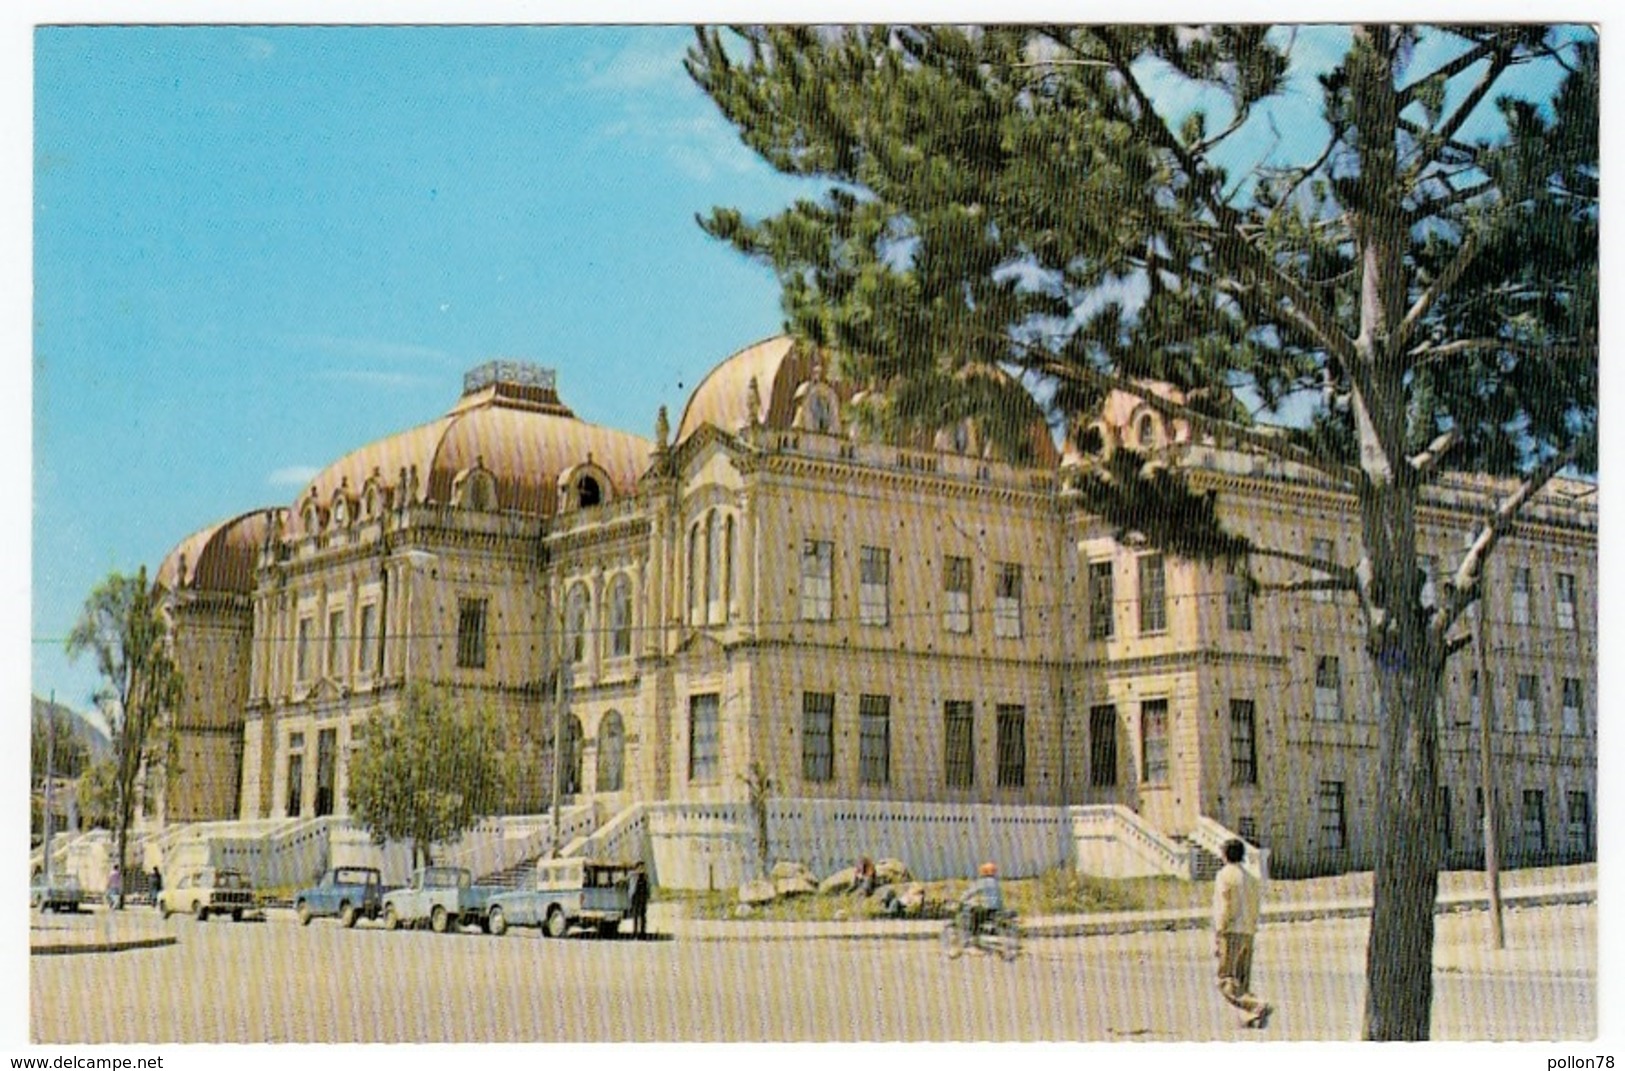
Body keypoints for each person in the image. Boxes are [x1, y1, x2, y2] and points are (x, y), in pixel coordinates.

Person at [1212, 838, 1273, 1029]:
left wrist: (1220, 930)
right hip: (1248, 931)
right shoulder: (1251, 877)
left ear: (1225, 854)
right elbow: (1255, 906)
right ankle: (1249, 1016)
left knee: (1225, 980)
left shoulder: (1225, 875)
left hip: (1231, 931)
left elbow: (1225, 905)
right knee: (1242, 979)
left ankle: (1257, 1005)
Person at [958, 861, 1004, 936]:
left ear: (984, 872)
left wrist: (961, 899)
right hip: (997, 908)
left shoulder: (982, 882)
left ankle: (973, 934)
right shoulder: (996, 882)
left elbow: (970, 892)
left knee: (972, 914)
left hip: (986, 908)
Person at [627, 867, 650, 939]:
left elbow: (647, 889)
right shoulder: (635, 876)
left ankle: (641, 933)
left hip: (640, 899)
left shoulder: (643, 877)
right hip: (637, 899)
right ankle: (637, 933)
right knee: (637, 917)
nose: (641, 869)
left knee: (641, 917)